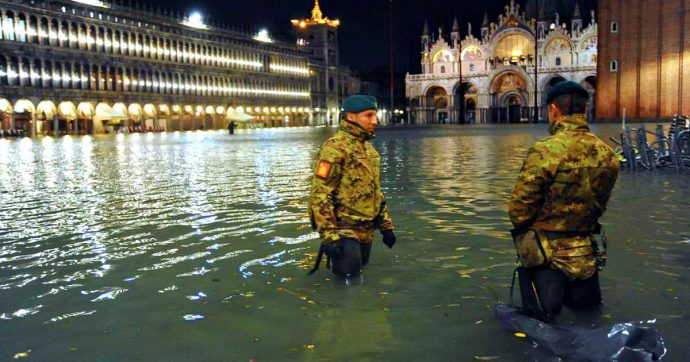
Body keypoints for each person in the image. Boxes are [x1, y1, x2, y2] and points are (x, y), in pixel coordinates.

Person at [508, 81, 620, 322]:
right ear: (585, 110)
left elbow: (518, 210)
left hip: (547, 258)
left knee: (542, 326)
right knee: (588, 320)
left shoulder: (545, 150)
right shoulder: (607, 153)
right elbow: (599, 204)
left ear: (554, 110)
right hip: (586, 254)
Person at [308, 95, 396, 278]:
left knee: (359, 274)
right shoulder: (334, 148)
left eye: (375, 115)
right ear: (350, 116)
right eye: (369, 115)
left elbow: (374, 191)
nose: (375, 120)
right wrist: (329, 237)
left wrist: (386, 226)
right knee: (349, 281)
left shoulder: (369, 150)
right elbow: (320, 193)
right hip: (343, 229)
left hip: (366, 228)